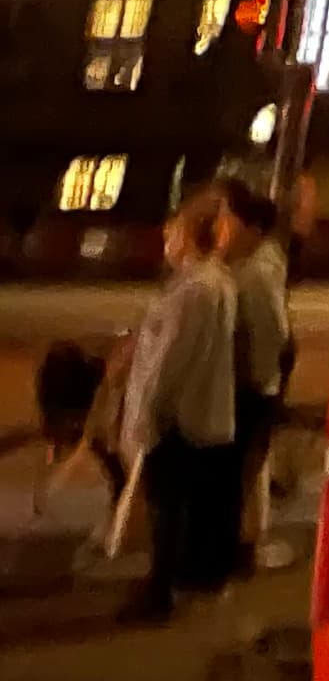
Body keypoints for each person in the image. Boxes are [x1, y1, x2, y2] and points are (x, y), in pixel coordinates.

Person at [113, 195, 237, 625]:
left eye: (172, 231)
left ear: (188, 236)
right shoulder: (212, 282)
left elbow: (168, 360)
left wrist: (147, 413)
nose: (166, 239)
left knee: (167, 508)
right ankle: (172, 581)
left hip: (177, 418)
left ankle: (159, 592)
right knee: (181, 505)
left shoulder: (195, 290)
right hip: (196, 413)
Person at [215, 178, 290, 569]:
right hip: (252, 386)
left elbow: (272, 333)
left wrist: (257, 384)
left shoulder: (253, 274)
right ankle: (234, 550)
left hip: (247, 389)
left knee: (236, 478)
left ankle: (233, 553)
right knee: (239, 477)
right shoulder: (255, 268)